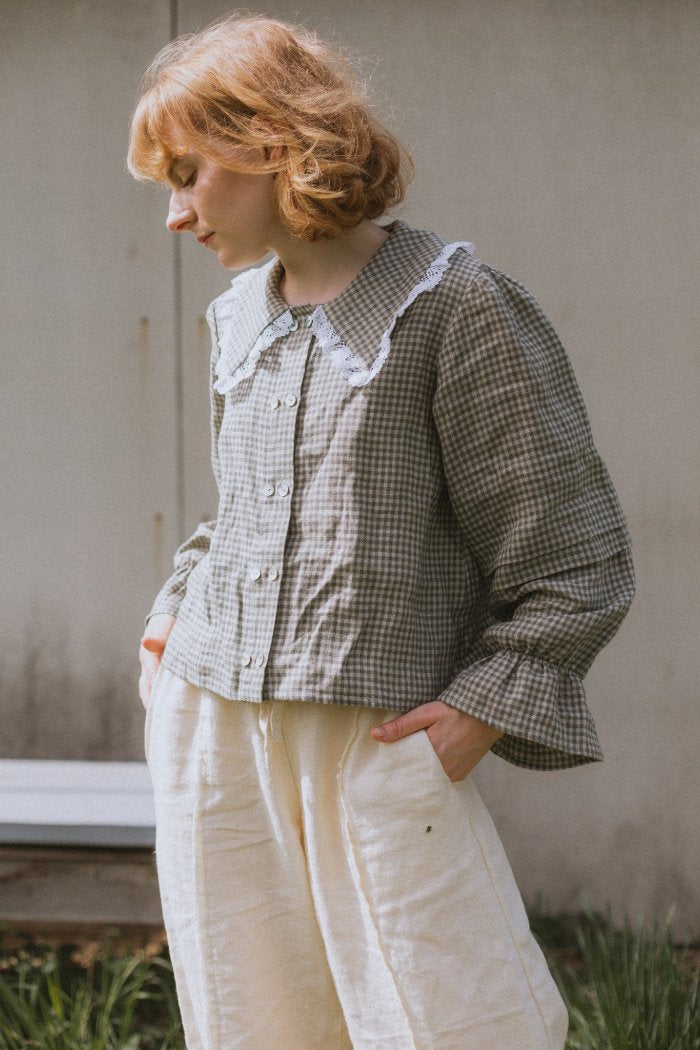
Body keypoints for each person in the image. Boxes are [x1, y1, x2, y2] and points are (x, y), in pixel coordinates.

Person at [128, 14, 634, 1050]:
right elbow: (245, 513)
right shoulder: (236, 318)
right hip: (214, 727)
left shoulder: (456, 309)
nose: (176, 215)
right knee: (253, 1019)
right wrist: (173, 619)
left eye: (189, 172)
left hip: (368, 740)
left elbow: (575, 558)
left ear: (273, 144)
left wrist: (476, 712)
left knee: (447, 1019)